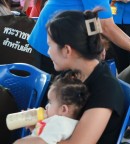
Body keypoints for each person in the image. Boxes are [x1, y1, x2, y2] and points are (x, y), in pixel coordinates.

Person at [44, 9, 124, 144]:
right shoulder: (70, 76)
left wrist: (39, 138)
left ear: (66, 50)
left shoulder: (106, 89)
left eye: (50, 46)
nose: (48, 52)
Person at [14, 71, 89, 144]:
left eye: (50, 102)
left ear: (63, 109)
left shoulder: (59, 122)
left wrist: (19, 142)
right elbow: (46, 137)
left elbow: (41, 141)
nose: (46, 106)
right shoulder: (68, 123)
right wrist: (34, 128)